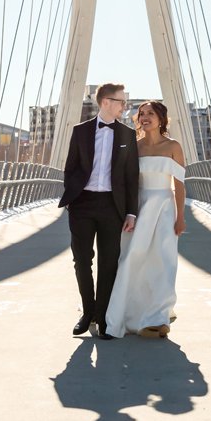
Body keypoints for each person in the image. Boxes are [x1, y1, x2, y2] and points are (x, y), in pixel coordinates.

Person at [58, 83, 140, 339]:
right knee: (82, 261)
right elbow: (70, 167)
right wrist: (72, 198)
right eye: (120, 101)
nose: (124, 106)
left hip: (111, 207)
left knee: (109, 263)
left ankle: (103, 318)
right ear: (105, 101)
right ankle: (87, 312)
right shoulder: (80, 131)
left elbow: (131, 178)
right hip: (81, 204)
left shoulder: (128, 135)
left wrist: (131, 212)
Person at [104, 99, 186, 339]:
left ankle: (158, 318)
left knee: (163, 260)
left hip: (164, 207)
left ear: (161, 118)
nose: (145, 117)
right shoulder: (134, 146)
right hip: (138, 208)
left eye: (150, 113)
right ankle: (131, 311)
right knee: (132, 258)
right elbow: (124, 182)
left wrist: (180, 217)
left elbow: (179, 185)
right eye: (141, 114)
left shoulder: (173, 146)